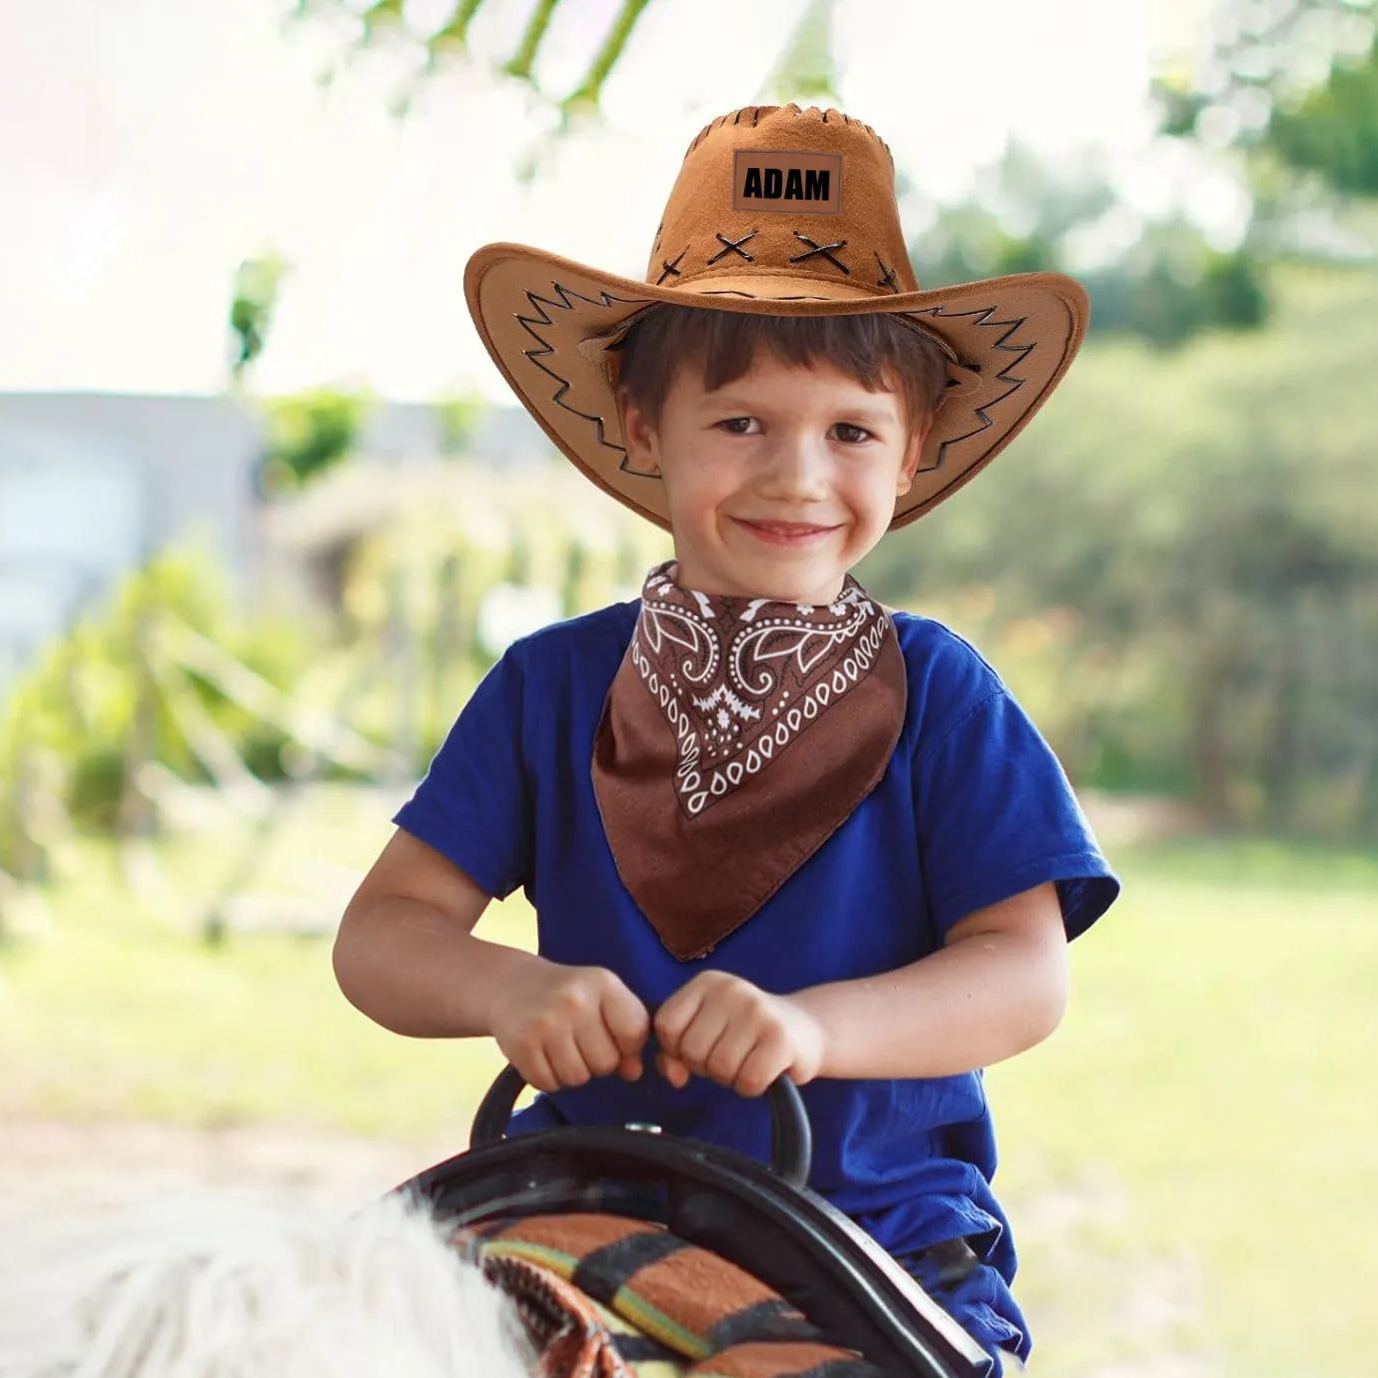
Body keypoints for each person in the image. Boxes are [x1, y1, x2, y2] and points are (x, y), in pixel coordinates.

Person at [333, 103, 1123, 1377]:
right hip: (581, 1213)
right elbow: (381, 935)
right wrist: (508, 989)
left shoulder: (942, 694)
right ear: (644, 431)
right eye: (741, 422)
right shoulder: (550, 686)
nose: (797, 476)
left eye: (850, 431)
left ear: (912, 452)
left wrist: (811, 1031)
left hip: (873, 1243)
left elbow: (1023, 977)